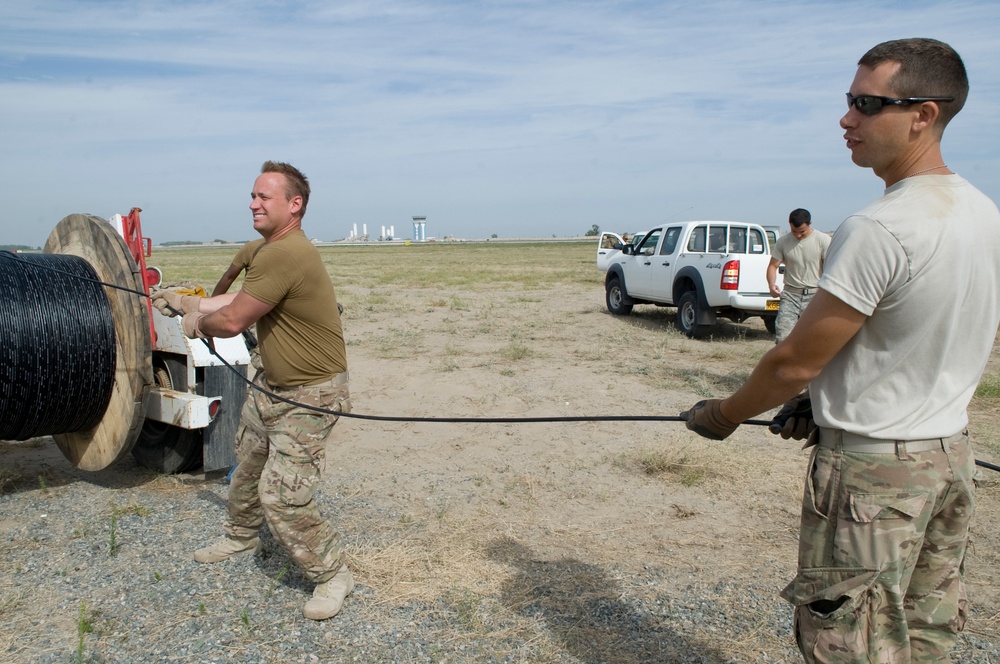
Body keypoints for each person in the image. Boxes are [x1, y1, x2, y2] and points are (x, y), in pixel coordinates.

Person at [681, 38, 1000, 661]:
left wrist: (723, 415)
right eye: (849, 101)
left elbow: (793, 360)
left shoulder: (880, 226)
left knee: (847, 641)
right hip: (948, 460)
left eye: (866, 103)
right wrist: (823, 404)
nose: (846, 118)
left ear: (924, 114)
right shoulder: (981, 211)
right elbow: (909, 336)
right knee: (923, 633)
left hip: (871, 481)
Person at [152, 161, 353, 621]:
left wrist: (193, 321)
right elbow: (241, 301)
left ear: (294, 204)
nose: (253, 203)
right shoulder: (274, 251)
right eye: (253, 195)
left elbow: (232, 320)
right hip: (273, 386)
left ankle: (332, 573)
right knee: (248, 468)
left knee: (281, 494)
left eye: (264, 197)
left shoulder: (287, 253)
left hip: (311, 395)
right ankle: (242, 535)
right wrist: (184, 300)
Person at [766, 208, 831, 343]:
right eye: (794, 232)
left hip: (815, 295)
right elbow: (773, 266)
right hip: (790, 295)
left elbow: (831, 267)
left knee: (813, 338)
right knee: (783, 337)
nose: (798, 236)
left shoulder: (823, 240)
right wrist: (771, 285)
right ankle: (784, 364)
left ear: (810, 224)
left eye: (802, 232)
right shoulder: (783, 242)